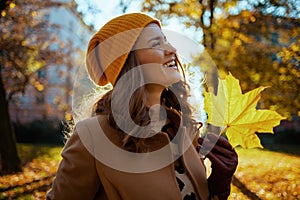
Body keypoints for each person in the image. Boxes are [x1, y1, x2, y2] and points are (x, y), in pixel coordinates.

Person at [46, 12, 238, 200]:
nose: (172, 49)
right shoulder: (93, 136)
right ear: (129, 64)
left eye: (166, 40)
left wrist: (218, 188)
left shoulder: (185, 129)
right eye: (156, 43)